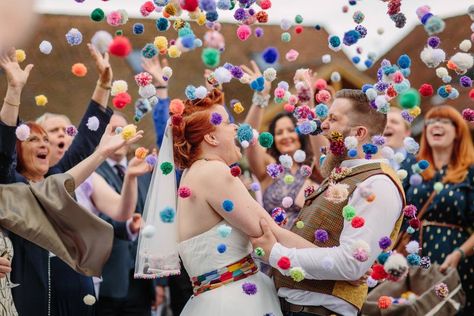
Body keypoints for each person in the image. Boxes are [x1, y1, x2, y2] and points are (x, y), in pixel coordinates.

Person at [251, 89, 405, 316]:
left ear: (359, 133)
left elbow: (351, 264)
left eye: (333, 119)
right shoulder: (343, 175)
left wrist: (275, 254)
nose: (323, 125)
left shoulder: (377, 183)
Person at [0, 46, 114, 315]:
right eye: (33, 139)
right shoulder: (9, 184)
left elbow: (85, 140)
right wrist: (14, 91)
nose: (44, 145)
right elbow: (2, 149)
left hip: (72, 293)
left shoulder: (57, 179)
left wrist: (104, 83)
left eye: (46, 141)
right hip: (28, 293)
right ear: (18, 149)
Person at [400, 105, 474, 315]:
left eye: (443, 121)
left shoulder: (470, 171)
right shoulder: (411, 164)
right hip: (411, 255)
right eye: (431, 122)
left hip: (453, 260)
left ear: (458, 130)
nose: (435, 126)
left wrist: (460, 253)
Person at [242, 62, 324, 229]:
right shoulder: (269, 167)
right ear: (273, 139)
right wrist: (261, 96)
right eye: (279, 133)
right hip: (278, 248)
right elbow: (247, 134)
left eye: (290, 130)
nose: (285, 136)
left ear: (300, 134)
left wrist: (307, 103)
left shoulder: (314, 166)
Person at [95, 112, 157, 316]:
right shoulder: (93, 172)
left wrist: (160, 281)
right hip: (109, 281)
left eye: (125, 130)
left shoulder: (143, 171)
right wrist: (129, 225)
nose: (122, 136)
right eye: (115, 131)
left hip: (142, 280)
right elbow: (96, 218)